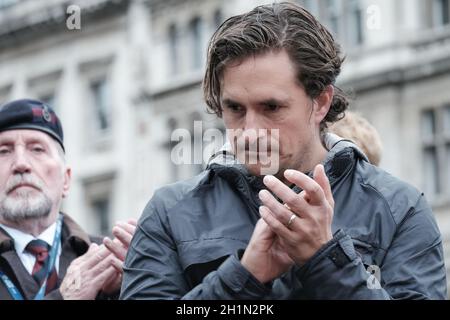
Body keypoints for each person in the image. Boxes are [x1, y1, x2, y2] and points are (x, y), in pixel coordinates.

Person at [121, 2, 447, 299]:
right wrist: (243, 276)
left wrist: (326, 259)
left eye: (271, 107)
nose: (249, 131)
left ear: (320, 102)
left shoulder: (400, 208)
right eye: (234, 108)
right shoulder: (169, 211)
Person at [0, 99, 136, 300]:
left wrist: (135, 285)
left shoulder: (109, 257)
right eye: (3, 151)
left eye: (37, 149)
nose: (21, 164)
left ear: (66, 179)